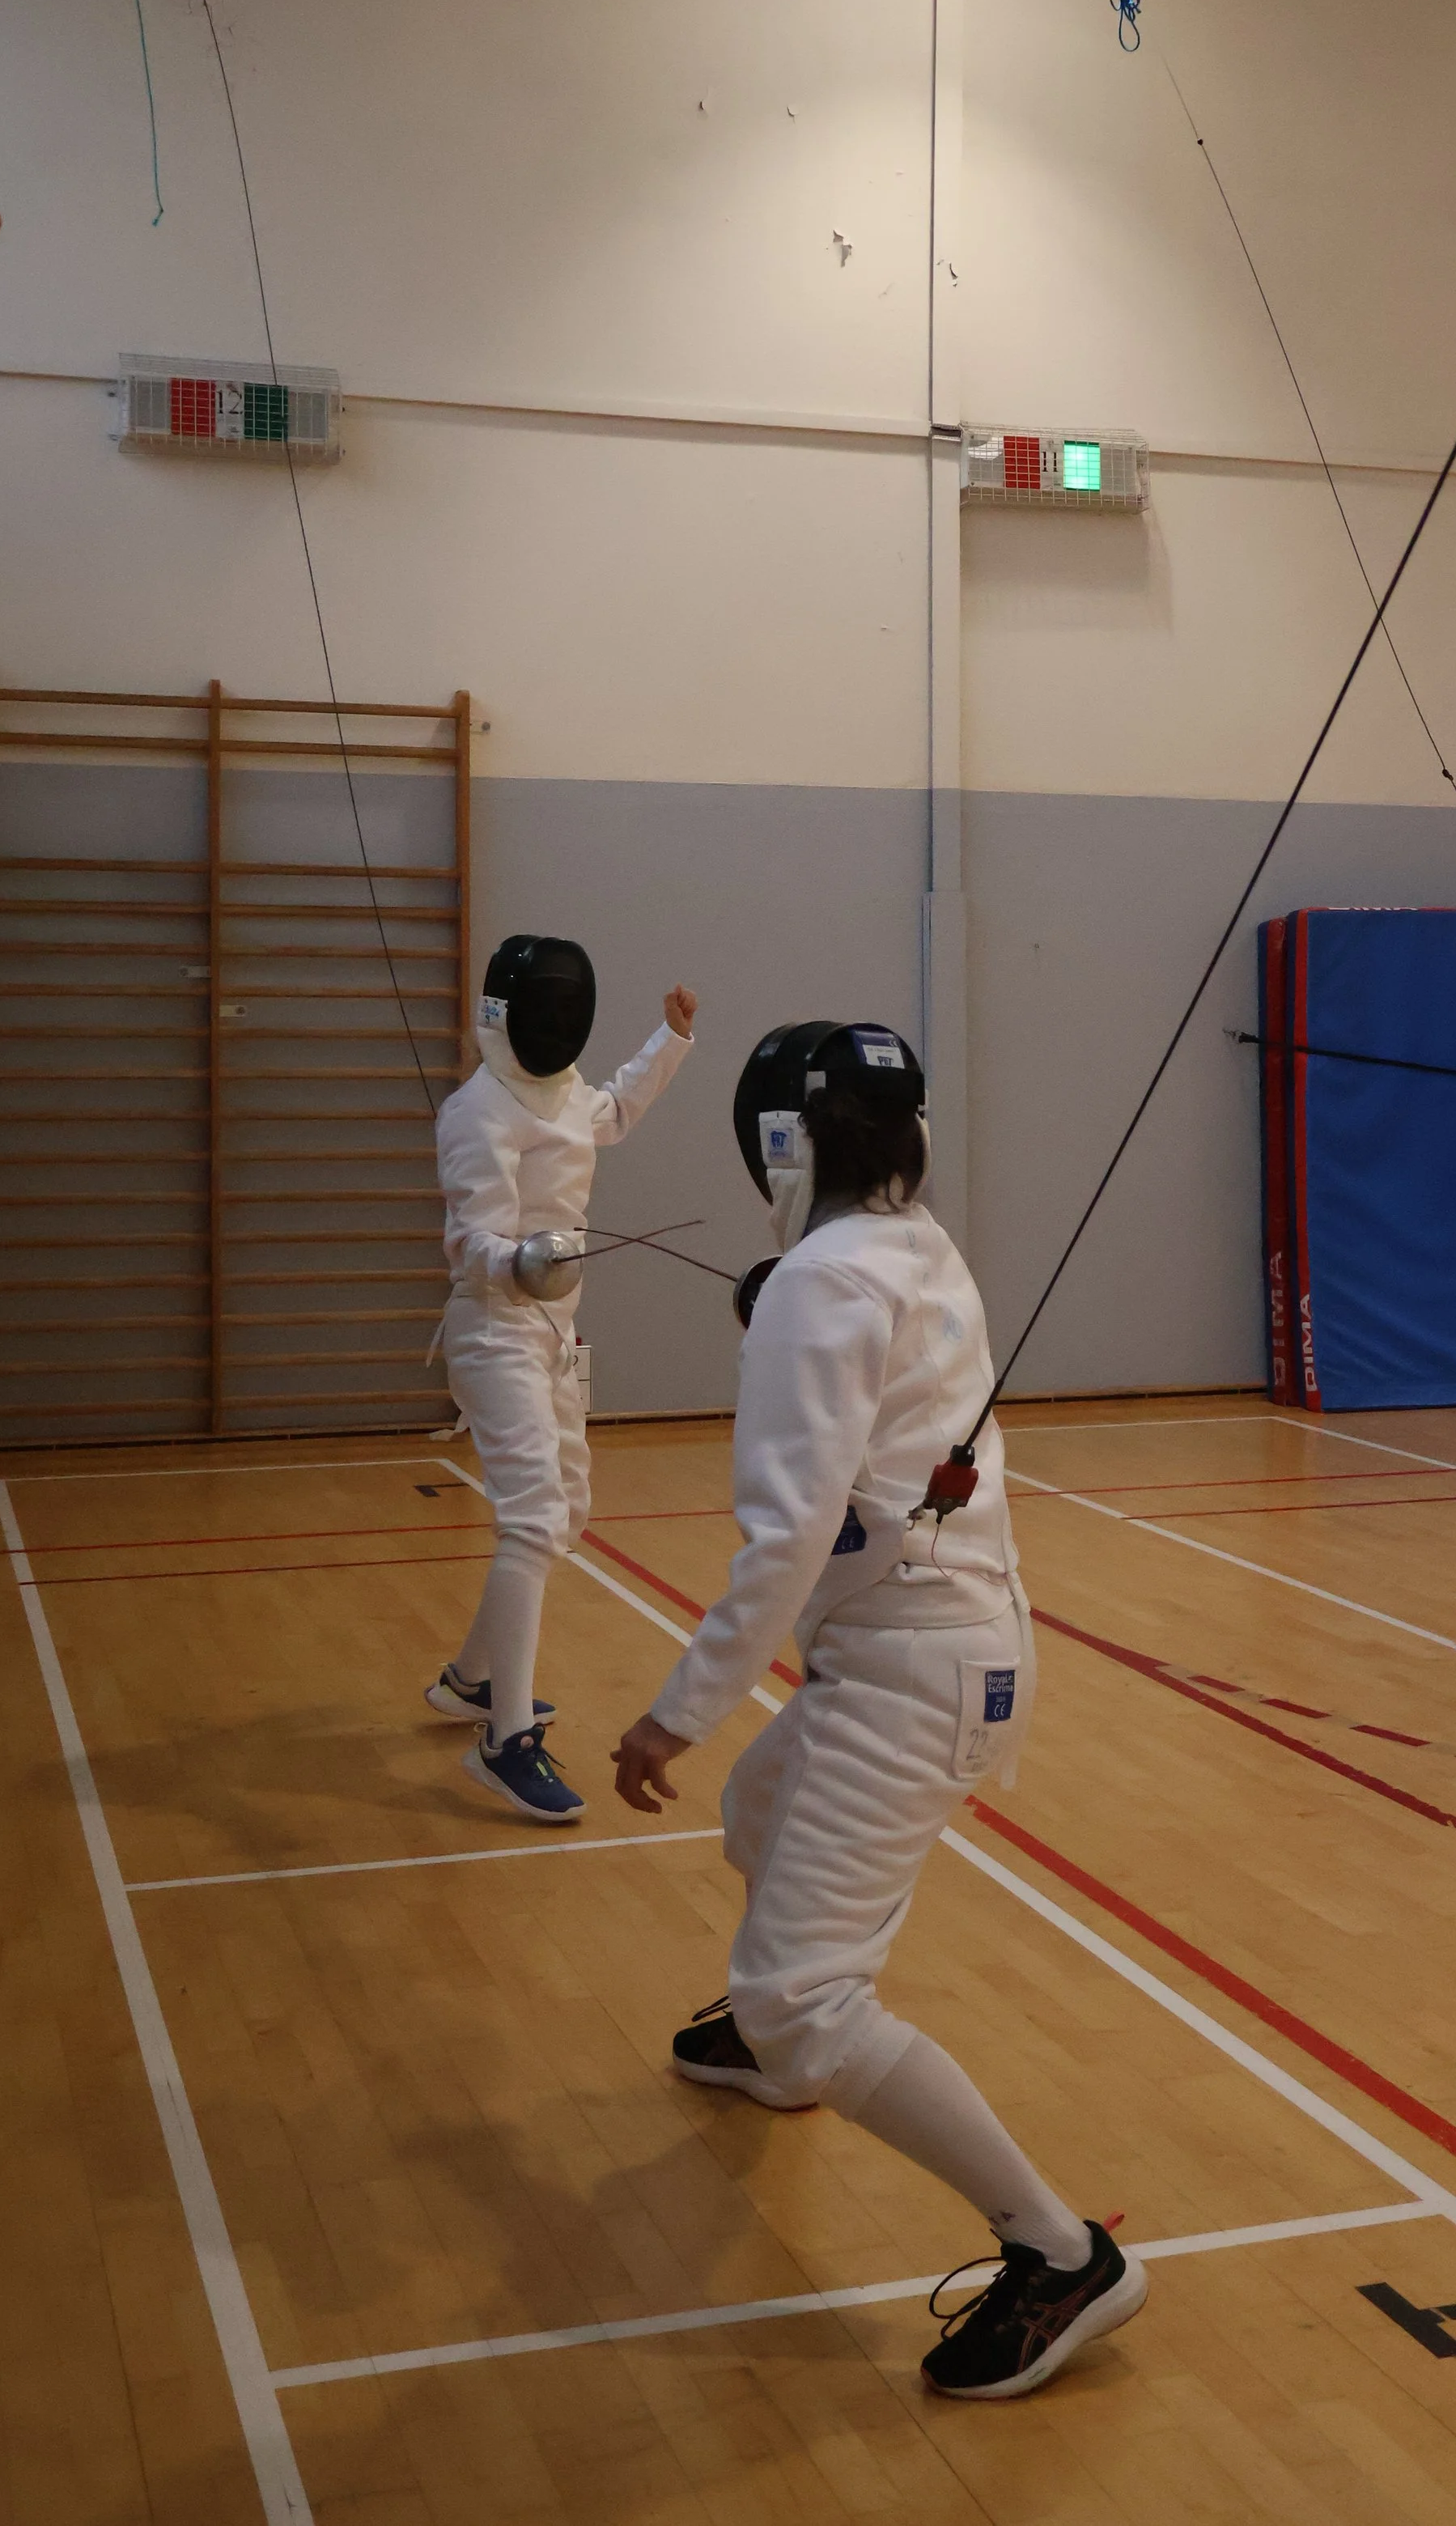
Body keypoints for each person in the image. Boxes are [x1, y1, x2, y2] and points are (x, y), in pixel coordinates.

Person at [612, 1020, 1145, 2402]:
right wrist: (784, 1298)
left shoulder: (822, 1284)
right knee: (760, 1809)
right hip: (948, 1644)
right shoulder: (915, 1247)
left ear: (779, 1142)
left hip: (913, 1668)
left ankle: (1060, 2254)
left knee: (801, 1994)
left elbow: (785, 1540)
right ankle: (777, 2046)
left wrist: (673, 1714)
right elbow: (874, 1370)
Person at [431, 935, 696, 1819]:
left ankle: (471, 1679)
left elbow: (611, 1112)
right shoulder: (478, 1112)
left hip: (553, 1329)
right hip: (494, 1330)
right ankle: (504, 1739)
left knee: (565, 1513)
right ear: (512, 1017)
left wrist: (668, 1040)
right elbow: (471, 1243)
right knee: (533, 1518)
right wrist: (526, 1260)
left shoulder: (562, 1093)